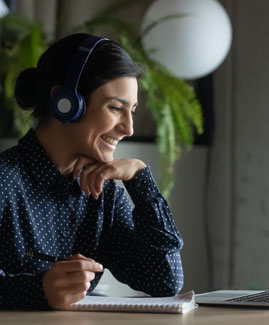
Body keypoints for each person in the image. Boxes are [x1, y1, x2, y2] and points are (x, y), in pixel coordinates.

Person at [0, 33, 184, 310]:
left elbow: (165, 281)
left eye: (132, 110)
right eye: (115, 108)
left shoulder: (103, 194)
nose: (128, 128)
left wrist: (140, 180)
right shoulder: (4, 181)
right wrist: (39, 290)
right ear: (65, 103)